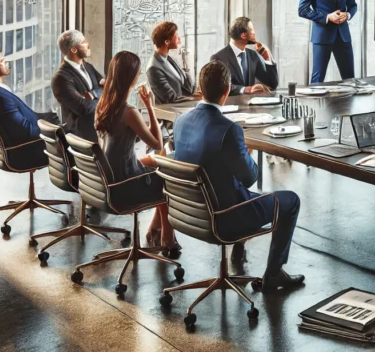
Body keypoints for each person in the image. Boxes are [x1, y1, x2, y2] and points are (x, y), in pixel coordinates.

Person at [173, 61, 304, 292]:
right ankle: (273, 274)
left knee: (238, 190)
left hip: (189, 213)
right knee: (290, 200)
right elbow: (250, 177)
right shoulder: (230, 129)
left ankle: (252, 257)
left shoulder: (180, 121)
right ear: (227, 91)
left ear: (201, 89)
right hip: (225, 217)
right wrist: (246, 152)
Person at [95, 51, 177, 252]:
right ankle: (168, 237)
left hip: (108, 174)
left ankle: (155, 228)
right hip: (124, 183)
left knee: (158, 160)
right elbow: (157, 142)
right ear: (131, 78)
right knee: (166, 176)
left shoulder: (103, 105)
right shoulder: (129, 112)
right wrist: (150, 106)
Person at [0, 47, 60, 167]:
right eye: (3, 62)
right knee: (76, 145)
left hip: (20, 146)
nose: (7, 64)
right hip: (26, 153)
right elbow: (26, 133)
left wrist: (50, 117)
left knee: (57, 120)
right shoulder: (0, 99)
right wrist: (56, 129)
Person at [297, 0, 358, 84]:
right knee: (317, 79)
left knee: (350, 79)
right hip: (322, 36)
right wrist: (326, 17)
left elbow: (353, 5)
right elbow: (302, 9)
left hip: (343, 36)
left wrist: (347, 15)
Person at [51, 30, 105, 141]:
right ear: (74, 49)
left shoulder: (88, 66)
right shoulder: (60, 78)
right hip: (81, 137)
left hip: (97, 130)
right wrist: (106, 102)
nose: (88, 46)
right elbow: (85, 108)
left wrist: (92, 94)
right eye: (84, 42)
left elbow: (107, 87)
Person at [210, 16, 279, 95]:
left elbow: (272, 84)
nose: (254, 33)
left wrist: (268, 59)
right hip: (229, 106)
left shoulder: (253, 56)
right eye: (252, 30)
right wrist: (244, 89)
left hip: (251, 106)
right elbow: (218, 87)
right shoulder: (218, 58)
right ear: (243, 35)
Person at [146, 21, 199, 105]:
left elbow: (189, 89)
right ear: (167, 42)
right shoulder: (153, 68)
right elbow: (170, 98)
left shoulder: (169, 59)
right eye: (176, 36)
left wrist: (186, 64)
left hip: (180, 110)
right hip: (168, 115)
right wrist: (198, 100)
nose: (179, 39)